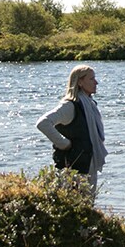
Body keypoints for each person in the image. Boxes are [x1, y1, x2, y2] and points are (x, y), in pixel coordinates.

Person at [37, 65, 108, 199]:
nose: (96, 82)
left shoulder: (90, 104)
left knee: (87, 207)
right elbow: (43, 123)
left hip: (88, 165)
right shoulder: (70, 106)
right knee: (76, 205)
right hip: (72, 169)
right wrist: (64, 144)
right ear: (80, 82)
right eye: (92, 79)